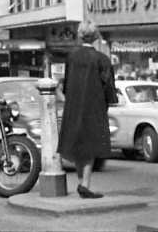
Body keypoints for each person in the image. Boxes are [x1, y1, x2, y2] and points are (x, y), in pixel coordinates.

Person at [58, 19, 117, 199]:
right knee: (90, 146)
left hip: (74, 106)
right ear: (96, 36)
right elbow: (108, 87)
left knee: (77, 146)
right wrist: (109, 102)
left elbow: (66, 86)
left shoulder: (72, 58)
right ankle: (85, 184)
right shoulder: (102, 59)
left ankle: (81, 182)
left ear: (80, 35)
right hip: (94, 107)